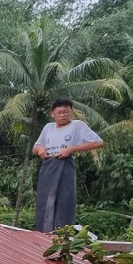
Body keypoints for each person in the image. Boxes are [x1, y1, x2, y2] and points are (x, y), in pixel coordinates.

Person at [32, 98, 104, 233]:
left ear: (71, 112)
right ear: (52, 113)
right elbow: (35, 148)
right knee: (44, 199)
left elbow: (98, 142)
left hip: (64, 164)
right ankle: (43, 232)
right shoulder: (48, 127)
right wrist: (40, 150)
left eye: (66, 112)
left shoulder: (77, 125)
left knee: (64, 199)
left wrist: (71, 149)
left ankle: (62, 233)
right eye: (59, 112)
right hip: (48, 165)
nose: (63, 115)